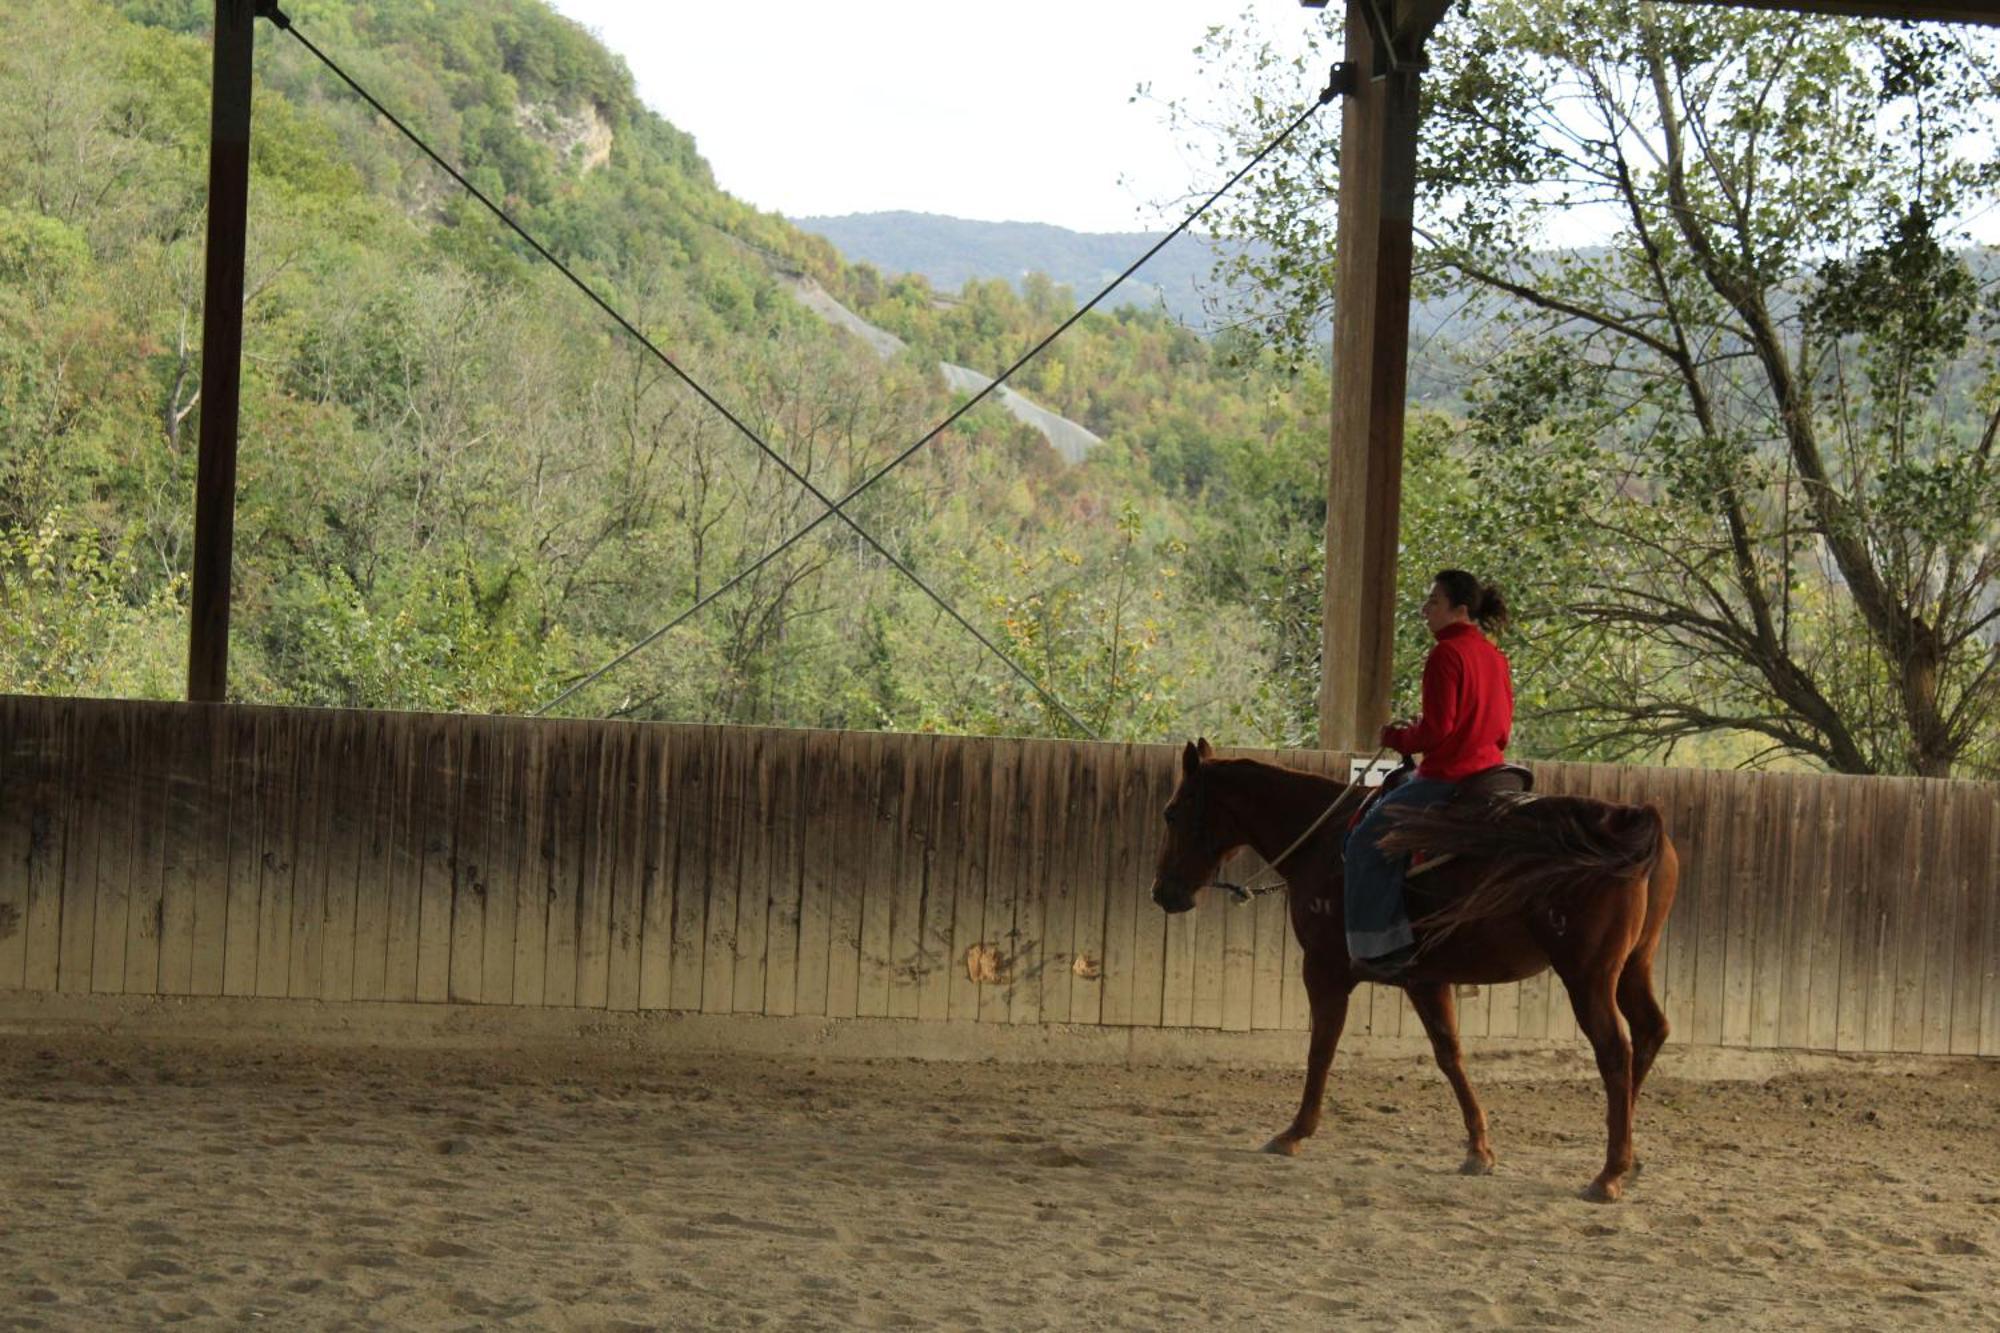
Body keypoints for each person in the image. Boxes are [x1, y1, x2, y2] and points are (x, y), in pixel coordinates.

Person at [1343, 569, 1514, 978]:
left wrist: (1397, 737)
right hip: (1493, 774)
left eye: (1432, 602)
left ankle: (1381, 948)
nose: (1425, 611)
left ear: (1459, 610)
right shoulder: (1495, 657)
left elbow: (1438, 732)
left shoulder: (1445, 655)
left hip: (1447, 777)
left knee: (1364, 840)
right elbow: (1503, 730)